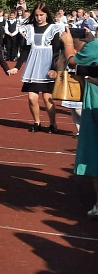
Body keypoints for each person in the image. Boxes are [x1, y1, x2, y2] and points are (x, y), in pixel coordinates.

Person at [61, 28, 98, 218]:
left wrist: (68, 43)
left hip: (95, 103)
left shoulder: (94, 47)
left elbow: (72, 62)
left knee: (93, 152)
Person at [14, 2, 64, 133]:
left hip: (47, 66)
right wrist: (17, 67)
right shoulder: (29, 28)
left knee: (47, 98)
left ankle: (53, 124)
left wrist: (54, 68)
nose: (39, 18)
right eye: (36, 15)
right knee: (32, 98)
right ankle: (37, 122)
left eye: (41, 15)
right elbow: (25, 50)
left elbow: (56, 50)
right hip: (33, 66)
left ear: (46, 15)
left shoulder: (54, 28)